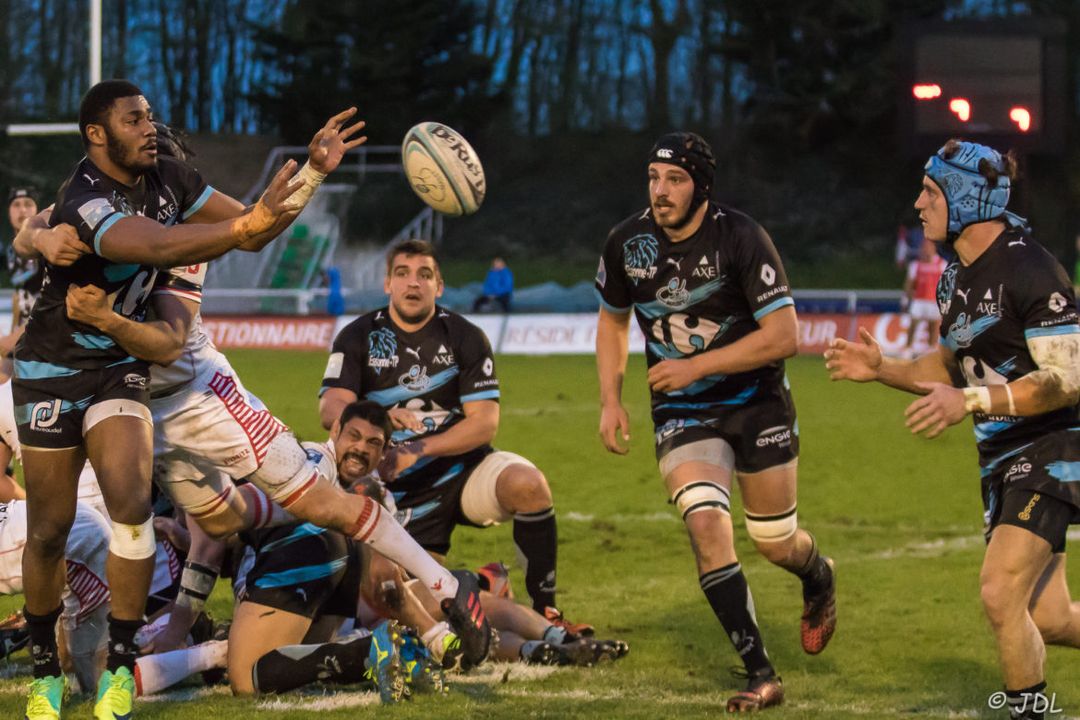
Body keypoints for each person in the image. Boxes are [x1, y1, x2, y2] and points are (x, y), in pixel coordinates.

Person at [26, 117, 494, 682]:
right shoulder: (94, 203)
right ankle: (88, 648)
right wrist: (40, 237)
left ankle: (443, 588)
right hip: (103, 390)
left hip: (191, 396)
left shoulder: (181, 247)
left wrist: (316, 172)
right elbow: (33, 227)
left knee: (313, 504)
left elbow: (180, 323)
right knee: (217, 523)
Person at [11, 78, 321, 720]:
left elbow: (259, 229)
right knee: (48, 529)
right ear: (97, 134)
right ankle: (45, 669)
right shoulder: (84, 199)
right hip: (49, 368)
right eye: (133, 119)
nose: (148, 127)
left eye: (149, 116)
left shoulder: (170, 179)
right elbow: (154, 246)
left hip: (119, 364)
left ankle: (122, 666)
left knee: (130, 505)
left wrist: (312, 174)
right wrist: (245, 225)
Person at [826, 139, 1080, 720]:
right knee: (1049, 618)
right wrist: (881, 368)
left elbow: (1065, 380)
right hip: (1001, 459)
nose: (918, 204)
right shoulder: (954, 278)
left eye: (930, 192)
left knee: (998, 594)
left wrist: (969, 399)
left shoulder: (1032, 269)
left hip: (1053, 447)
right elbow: (947, 364)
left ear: (966, 198)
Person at [594, 132, 837, 712]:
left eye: (674, 180)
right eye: (653, 178)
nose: (661, 191)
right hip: (683, 413)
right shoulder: (626, 244)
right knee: (706, 526)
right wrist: (610, 398)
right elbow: (611, 321)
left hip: (757, 404)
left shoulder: (742, 237)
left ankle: (818, 575)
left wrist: (694, 365)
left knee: (775, 542)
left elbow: (785, 337)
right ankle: (762, 672)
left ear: (701, 184)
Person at [319, 239, 586, 632]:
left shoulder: (465, 336)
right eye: (403, 274)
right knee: (409, 600)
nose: (414, 283)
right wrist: (381, 418)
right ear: (387, 284)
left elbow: (484, 423)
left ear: (439, 286)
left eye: (424, 275)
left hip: (460, 471)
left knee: (528, 485)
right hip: (391, 487)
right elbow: (330, 408)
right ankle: (485, 581)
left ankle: (547, 611)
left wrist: (418, 449)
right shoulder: (357, 336)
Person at [0, 187, 42, 359]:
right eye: (16, 205)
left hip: (41, 343)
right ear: (8, 212)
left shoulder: (48, 251)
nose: (23, 210)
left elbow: (53, 303)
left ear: (37, 210)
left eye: (28, 204)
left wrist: (12, 339)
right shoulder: (7, 254)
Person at [900, 235, 948, 359]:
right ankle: (908, 348)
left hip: (933, 301)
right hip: (919, 300)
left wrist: (945, 301)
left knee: (933, 326)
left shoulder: (942, 264)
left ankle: (931, 350)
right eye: (924, 247)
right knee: (913, 323)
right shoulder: (915, 265)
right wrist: (906, 298)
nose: (925, 250)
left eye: (928, 247)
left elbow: (946, 284)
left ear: (933, 249)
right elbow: (910, 283)